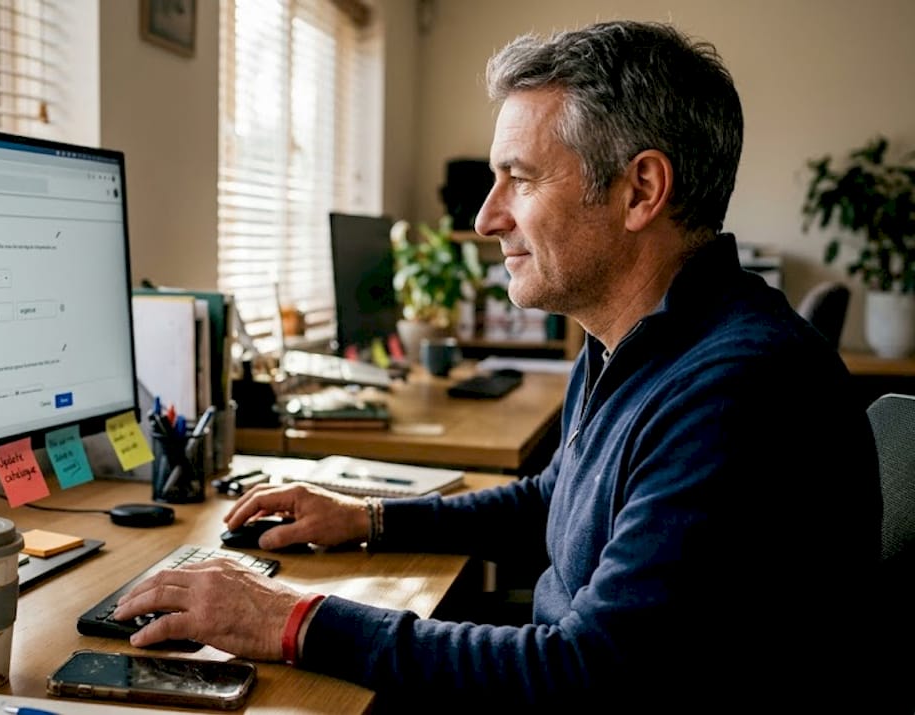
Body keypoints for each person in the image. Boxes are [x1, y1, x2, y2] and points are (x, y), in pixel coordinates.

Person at [113, 20, 880, 711]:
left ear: (640, 189)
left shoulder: (736, 389)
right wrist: (365, 516)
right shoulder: (639, 333)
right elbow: (558, 498)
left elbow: (589, 672)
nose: (485, 217)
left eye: (521, 176)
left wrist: (286, 618)